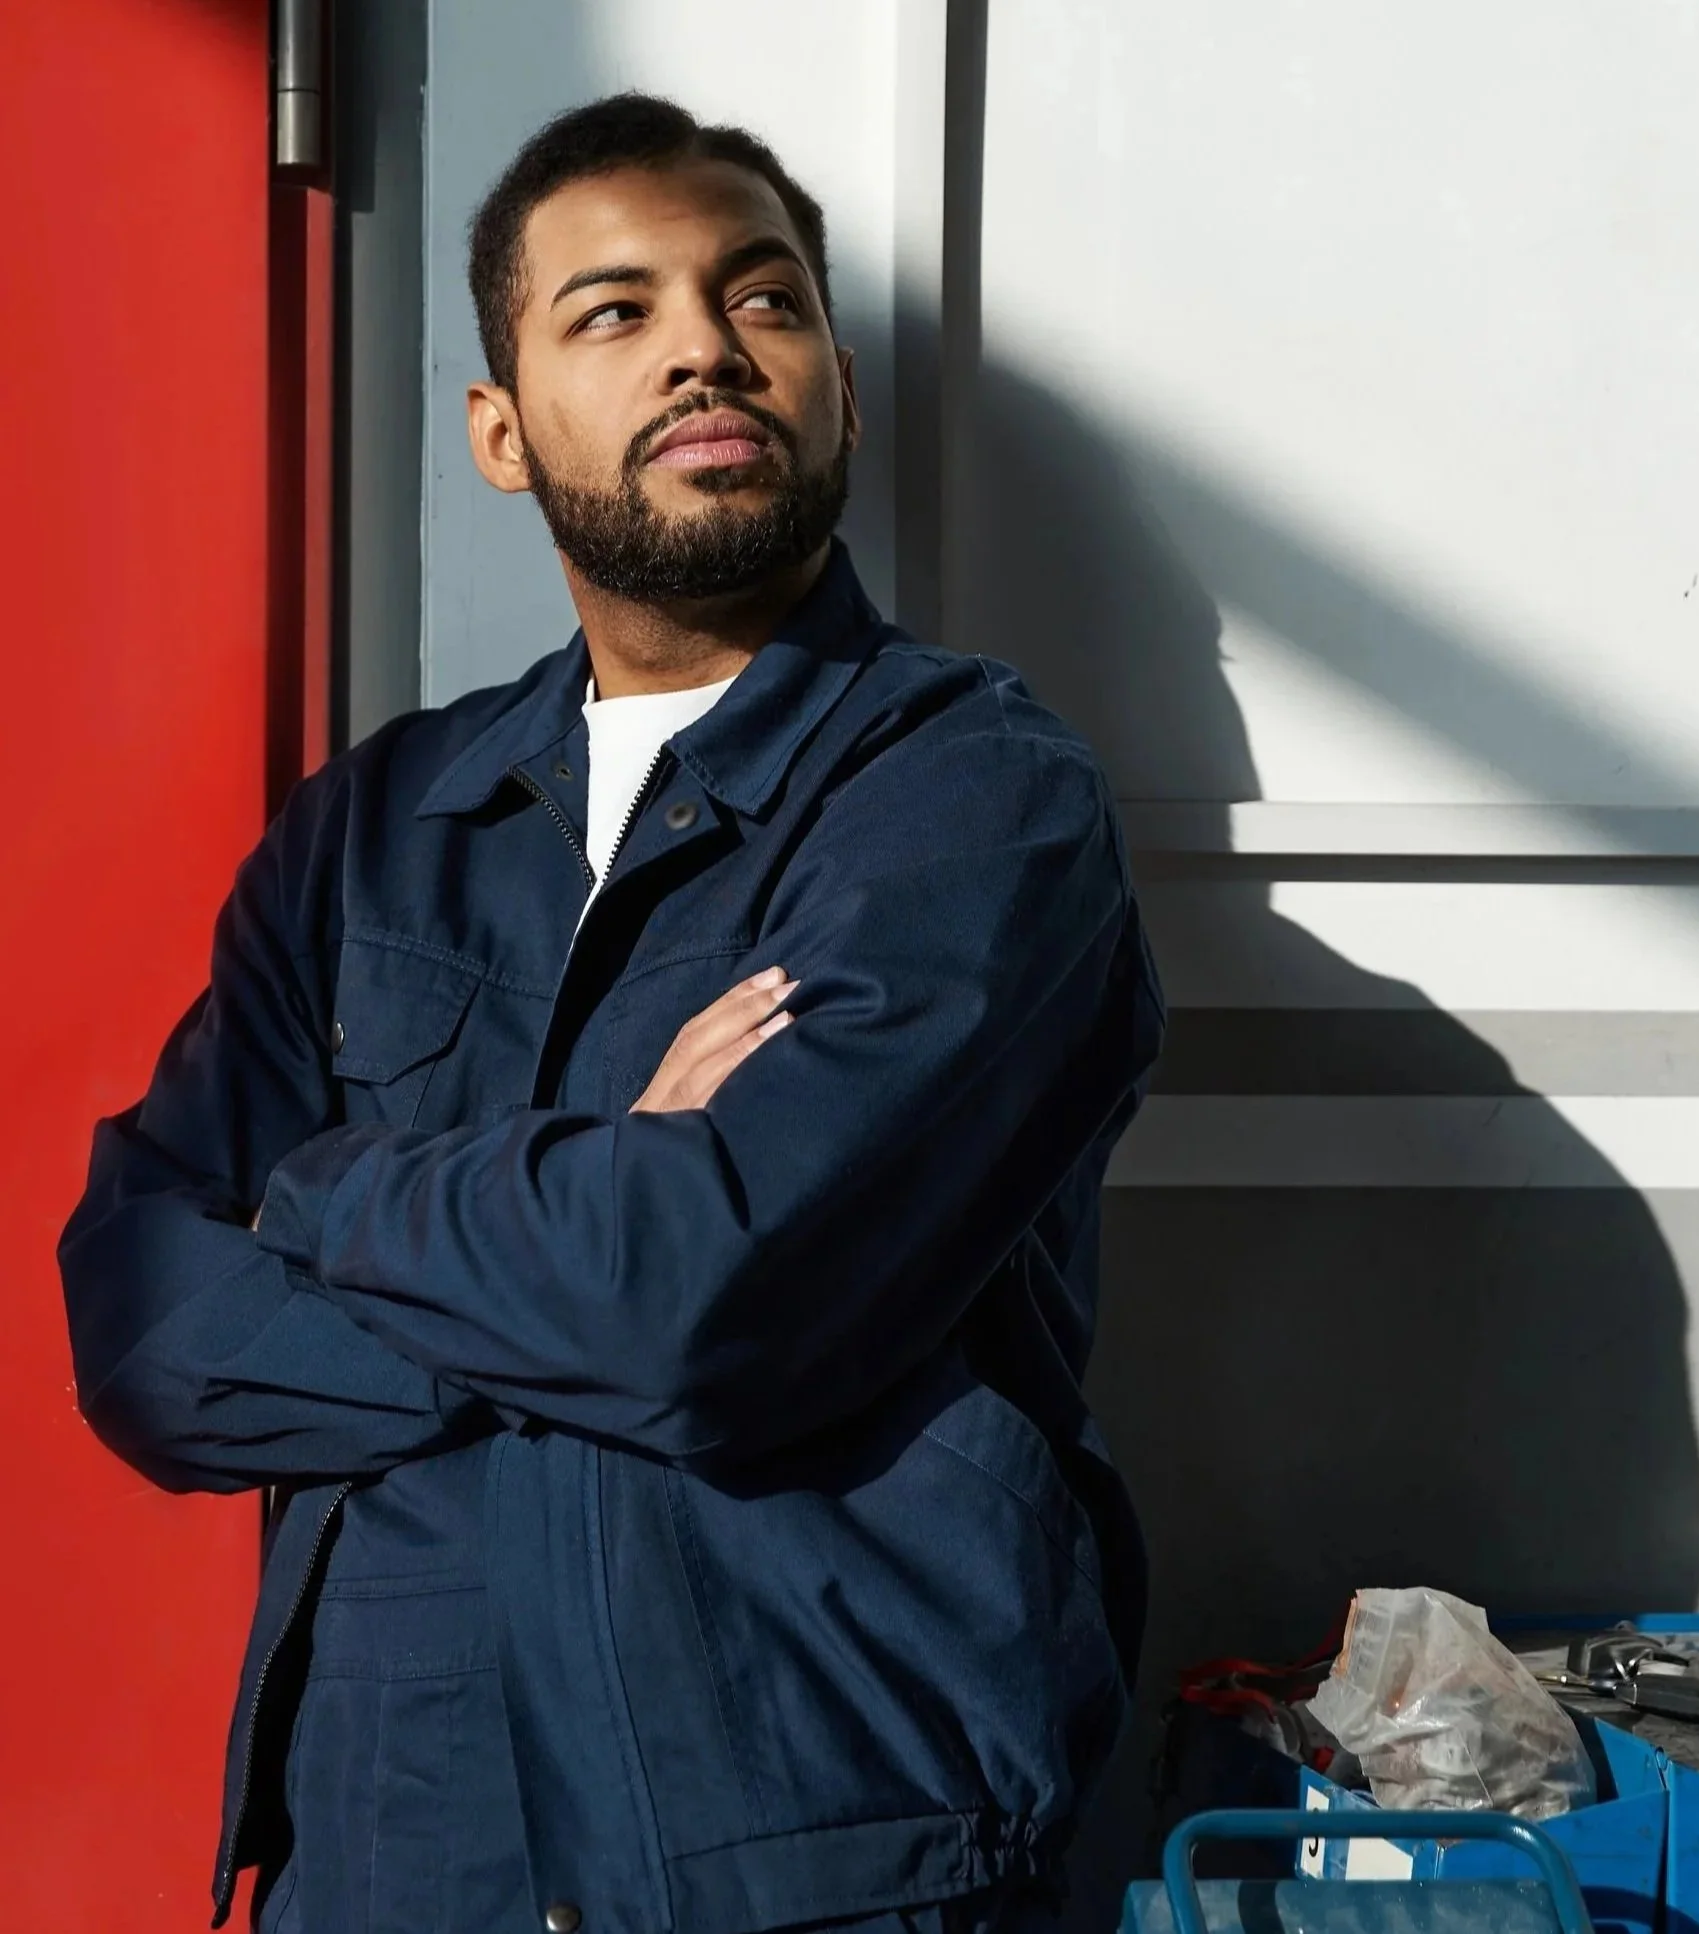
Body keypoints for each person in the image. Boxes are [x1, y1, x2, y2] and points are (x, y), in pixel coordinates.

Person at [59, 92, 1163, 1934]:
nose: (704, 350)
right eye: (613, 312)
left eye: (765, 301)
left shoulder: (970, 803)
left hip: (814, 1857)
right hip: (399, 1852)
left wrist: (329, 1197)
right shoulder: (374, 831)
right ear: (502, 433)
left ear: (838, 393)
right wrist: (593, 1212)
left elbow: (707, 1302)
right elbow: (146, 1331)